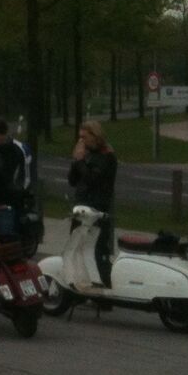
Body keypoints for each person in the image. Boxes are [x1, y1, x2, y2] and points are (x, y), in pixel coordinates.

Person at [69, 119, 118, 286]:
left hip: (97, 209)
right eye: (80, 137)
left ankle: (103, 283)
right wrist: (76, 161)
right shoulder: (87, 154)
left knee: (96, 250)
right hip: (82, 207)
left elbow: (93, 179)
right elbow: (73, 180)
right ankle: (81, 282)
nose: (81, 141)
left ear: (94, 136)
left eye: (84, 137)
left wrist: (80, 161)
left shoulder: (106, 156)